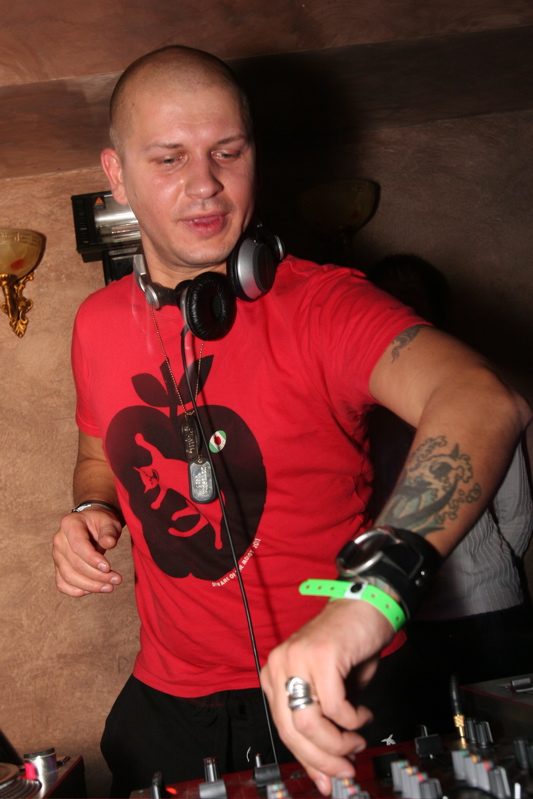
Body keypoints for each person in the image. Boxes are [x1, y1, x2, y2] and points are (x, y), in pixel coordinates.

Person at [52, 45, 531, 798]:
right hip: (169, 705)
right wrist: (90, 510)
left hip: (340, 685)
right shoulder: (96, 323)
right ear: (116, 173)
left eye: (228, 152)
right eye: (170, 158)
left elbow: (482, 398)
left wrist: (370, 599)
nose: (205, 183)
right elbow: (95, 455)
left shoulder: (324, 304)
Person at [366, 253, 533, 731]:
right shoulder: (362, 405)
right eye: (390, 292)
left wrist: (484, 571)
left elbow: (517, 513)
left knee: (512, 738)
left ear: (434, 307)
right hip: (404, 619)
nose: (401, 299)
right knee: (430, 745)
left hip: (491, 611)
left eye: (412, 291)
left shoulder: (477, 389)